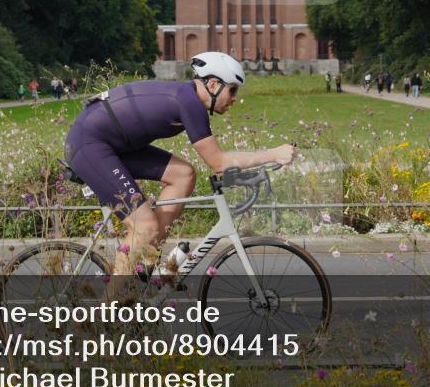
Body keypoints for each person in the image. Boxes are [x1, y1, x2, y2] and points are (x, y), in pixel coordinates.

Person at [64, 52, 297, 292]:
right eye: (233, 90)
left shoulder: (188, 97)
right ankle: (109, 312)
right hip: (89, 145)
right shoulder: (189, 102)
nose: (235, 98)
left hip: (112, 143)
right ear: (213, 84)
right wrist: (273, 153)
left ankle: (146, 264)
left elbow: (215, 162)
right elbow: (218, 162)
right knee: (144, 226)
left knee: (183, 174)